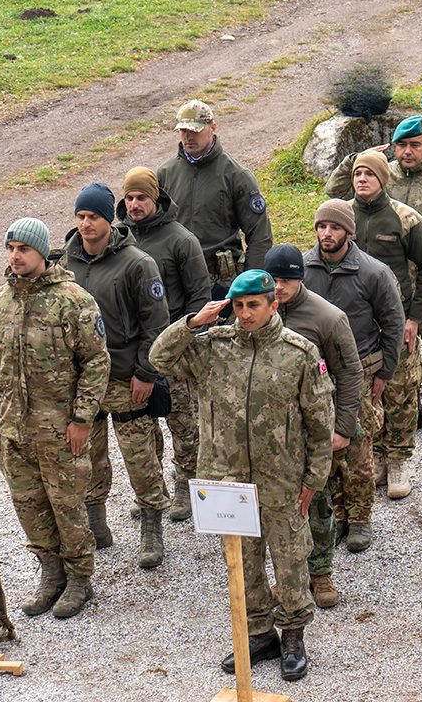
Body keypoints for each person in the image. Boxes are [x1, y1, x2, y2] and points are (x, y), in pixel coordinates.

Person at [150, 270, 337, 682]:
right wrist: (194, 322)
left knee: (290, 559)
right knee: (242, 562)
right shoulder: (212, 348)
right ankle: (259, 634)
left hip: (282, 479)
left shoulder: (299, 353)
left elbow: (320, 422)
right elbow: (158, 358)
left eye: (254, 304)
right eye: (238, 305)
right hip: (226, 479)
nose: (246, 313)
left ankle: (293, 637)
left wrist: (314, 480)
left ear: (273, 304)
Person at [0, 218, 110, 619]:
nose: (15, 256)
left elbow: (96, 362)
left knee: (68, 508)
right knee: (30, 508)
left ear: (42, 252)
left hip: (60, 433)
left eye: (23, 249)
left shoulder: (73, 300)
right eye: (10, 249)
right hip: (14, 434)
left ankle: (80, 580)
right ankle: (51, 575)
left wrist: (82, 419)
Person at [326, 115, 422, 440]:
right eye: (400, 145)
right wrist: (359, 160)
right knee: (394, 357)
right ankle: (406, 414)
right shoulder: (380, 175)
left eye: (414, 145)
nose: (407, 151)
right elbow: (334, 193)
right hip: (381, 293)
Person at [63, 182, 171, 567]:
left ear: (110, 219)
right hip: (84, 383)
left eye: (93, 216)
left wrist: (146, 372)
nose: (86, 224)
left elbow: (156, 323)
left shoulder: (138, 264)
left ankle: (151, 527)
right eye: (80, 216)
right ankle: (96, 522)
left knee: (140, 458)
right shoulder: (65, 265)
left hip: (127, 379)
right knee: (87, 456)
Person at [302, 199, 405, 553]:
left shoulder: (373, 272)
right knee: (323, 445)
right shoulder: (304, 269)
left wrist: (385, 372)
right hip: (315, 374)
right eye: (321, 227)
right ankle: (338, 513)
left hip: (359, 371)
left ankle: (361, 517)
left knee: (358, 447)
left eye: (334, 227)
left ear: (349, 232)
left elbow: (393, 324)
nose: (326, 234)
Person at [265, 244, 364, 608]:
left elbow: (350, 374)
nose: (278, 287)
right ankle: (290, 577)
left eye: (286, 280)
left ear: (300, 278)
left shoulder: (328, 318)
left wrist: (343, 429)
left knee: (318, 501)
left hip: (315, 429)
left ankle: (320, 573)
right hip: (272, 431)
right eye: (273, 279)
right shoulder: (255, 311)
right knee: (279, 508)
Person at [338, 151, 422, 497]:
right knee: (366, 393)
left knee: (401, 390)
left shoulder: (405, 218)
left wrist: (414, 318)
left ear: (383, 179)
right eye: (357, 173)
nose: (362, 179)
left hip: (396, 321)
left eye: (369, 174)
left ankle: (397, 460)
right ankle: (376, 456)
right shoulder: (342, 216)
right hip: (356, 325)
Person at [117, 166, 211, 522]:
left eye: (142, 197)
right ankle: (153, 489)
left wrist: (185, 345)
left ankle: (186, 486)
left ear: (156, 198)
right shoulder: (119, 238)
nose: (135, 204)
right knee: (141, 425)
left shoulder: (181, 240)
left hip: (173, 352)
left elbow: (199, 297)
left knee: (183, 424)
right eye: (129, 198)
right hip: (134, 352)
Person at [156, 99, 273, 297]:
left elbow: (260, 235)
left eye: (195, 130)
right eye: (183, 130)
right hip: (174, 284)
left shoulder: (237, 176)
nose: (188, 136)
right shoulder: (164, 174)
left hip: (220, 285)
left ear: (213, 128)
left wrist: (251, 285)